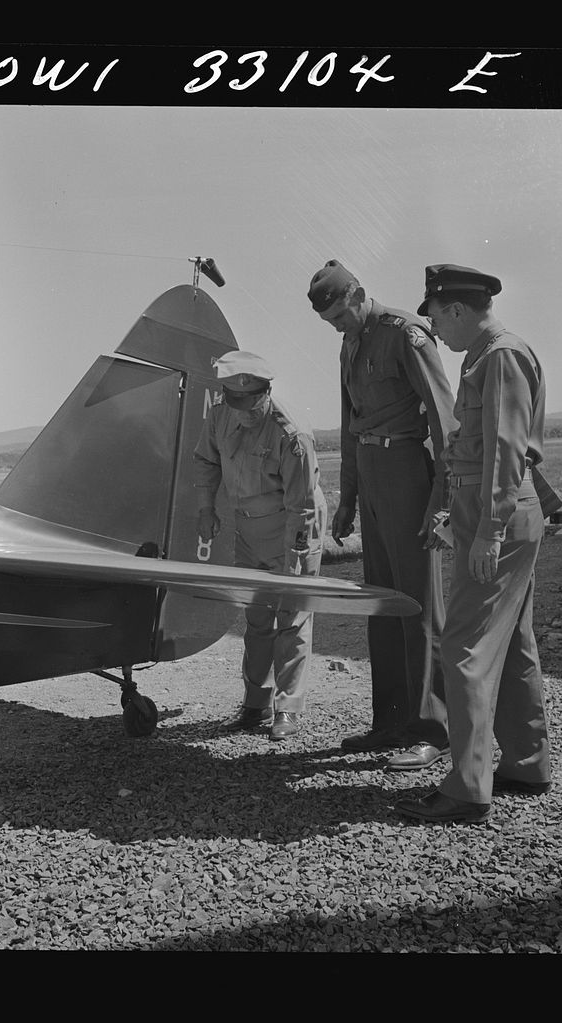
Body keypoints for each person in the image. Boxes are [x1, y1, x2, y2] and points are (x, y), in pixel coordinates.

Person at [395, 263, 553, 825]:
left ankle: (466, 789)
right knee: (511, 644)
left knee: (463, 647)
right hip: (485, 509)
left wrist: (488, 530)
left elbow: (505, 453)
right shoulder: (486, 357)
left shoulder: (501, 355)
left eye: (436, 316)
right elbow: (475, 447)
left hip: (498, 516)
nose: (436, 330)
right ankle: (527, 763)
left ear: (457, 308)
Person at [307, 259, 459, 770]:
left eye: (341, 318)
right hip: (372, 478)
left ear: (359, 295)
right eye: (329, 324)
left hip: (407, 477)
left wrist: (442, 503)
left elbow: (445, 424)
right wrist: (347, 498)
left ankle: (433, 730)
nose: (338, 328)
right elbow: (352, 425)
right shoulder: (348, 343)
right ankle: (390, 721)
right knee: (381, 604)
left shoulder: (404, 334)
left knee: (419, 606)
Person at [193, 350, 328, 741]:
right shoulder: (221, 415)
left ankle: (287, 710)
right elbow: (206, 460)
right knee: (256, 618)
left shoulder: (291, 434)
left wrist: (297, 560)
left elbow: (301, 507)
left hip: (291, 526)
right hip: (248, 530)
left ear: (267, 393)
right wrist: (206, 509)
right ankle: (255, 703)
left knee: (292, 616)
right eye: (237, 403)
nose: (245, 413)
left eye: (253, 404)